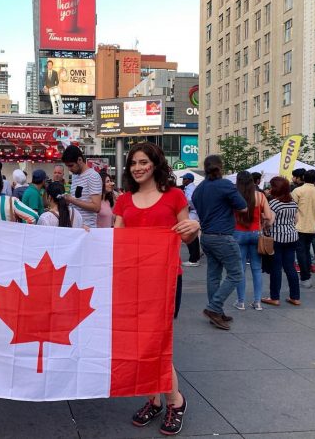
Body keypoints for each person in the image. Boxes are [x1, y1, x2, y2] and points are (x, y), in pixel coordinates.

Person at [112, 142, 199, 436]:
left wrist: (194, 228)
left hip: (165, 278)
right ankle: (155, 399)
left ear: (155, 164)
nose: (137, 168)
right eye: (133, 163)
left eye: (143, 162)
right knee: (140, 341)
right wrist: (89, 238)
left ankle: (175, 401)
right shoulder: (124, 200)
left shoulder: (174, 196)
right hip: (131, 279)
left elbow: (186, 235)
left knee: (156, 341)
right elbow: (117, 238)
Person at [192, 155, 247, 330]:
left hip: (206, 236)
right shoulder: (224, 185)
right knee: (236, 274)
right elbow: (243, 206)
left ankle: (216, 311)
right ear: (220, 167)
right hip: (222, 236)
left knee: (213, 275)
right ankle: (214, 308)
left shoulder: (199, 189)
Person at [232, 171, 274, 311]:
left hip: (238, 233)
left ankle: (241, 301)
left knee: (241, 268)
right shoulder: (260, 196)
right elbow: (268, 216)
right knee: (256, 268)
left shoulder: (235, 196)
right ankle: (257, 302)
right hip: (256, 233)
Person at [262, 177, 301, 306]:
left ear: (275, 188)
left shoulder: (274, 203)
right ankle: (295, 297)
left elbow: (270, 222)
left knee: (276, 268)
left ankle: (274, 297)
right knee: (290, 267)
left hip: (277, 239)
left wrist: (265, 225)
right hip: (292, 237)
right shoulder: (293, 203)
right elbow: (296, 220)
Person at [291, 169, 315, 288]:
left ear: (304, 177)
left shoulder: (297, 190)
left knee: (301, 252)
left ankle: (305, 277)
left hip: (299, 225)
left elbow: (292, 207)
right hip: (312, 225)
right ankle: (307, 276)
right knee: (306, 250)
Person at [61, 145, 102, 228]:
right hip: (74, 226)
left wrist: (72, 200)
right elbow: (78, 200)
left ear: (80, 160)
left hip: (87, 228)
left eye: (71, 165)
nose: (69, 169)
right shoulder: (75, 176)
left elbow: (96, 207)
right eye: (67, 166)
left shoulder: (93, 176)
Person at [181, 173, 201, 266]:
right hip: (194, 213)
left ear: (189, 180)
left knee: (189, 235)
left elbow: (190, 200)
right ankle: (195, 257)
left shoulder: (190, 188)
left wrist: (188, 207)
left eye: (184, 179)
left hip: (192, 213)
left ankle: (193, 259)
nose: (183, 181)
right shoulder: (191, 187)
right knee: (193, 236)